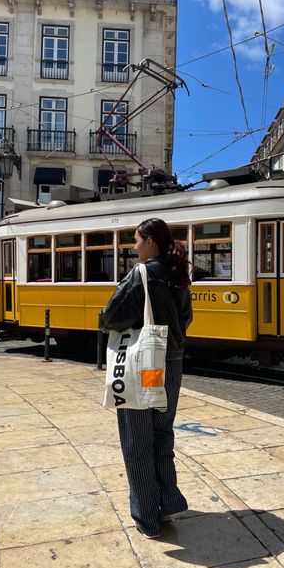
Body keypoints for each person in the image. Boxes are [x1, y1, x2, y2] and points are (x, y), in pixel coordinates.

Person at [99, 218, 193, 539]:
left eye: (136, 240)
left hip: (146, 368)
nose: (133, 246)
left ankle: (147, 518)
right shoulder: (179, 276)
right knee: (162, 434)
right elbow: (186, 320)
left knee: (136, 439)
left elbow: (109, 316)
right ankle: (168, 503)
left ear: (150, 241)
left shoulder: (141, 275)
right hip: (173, 366)